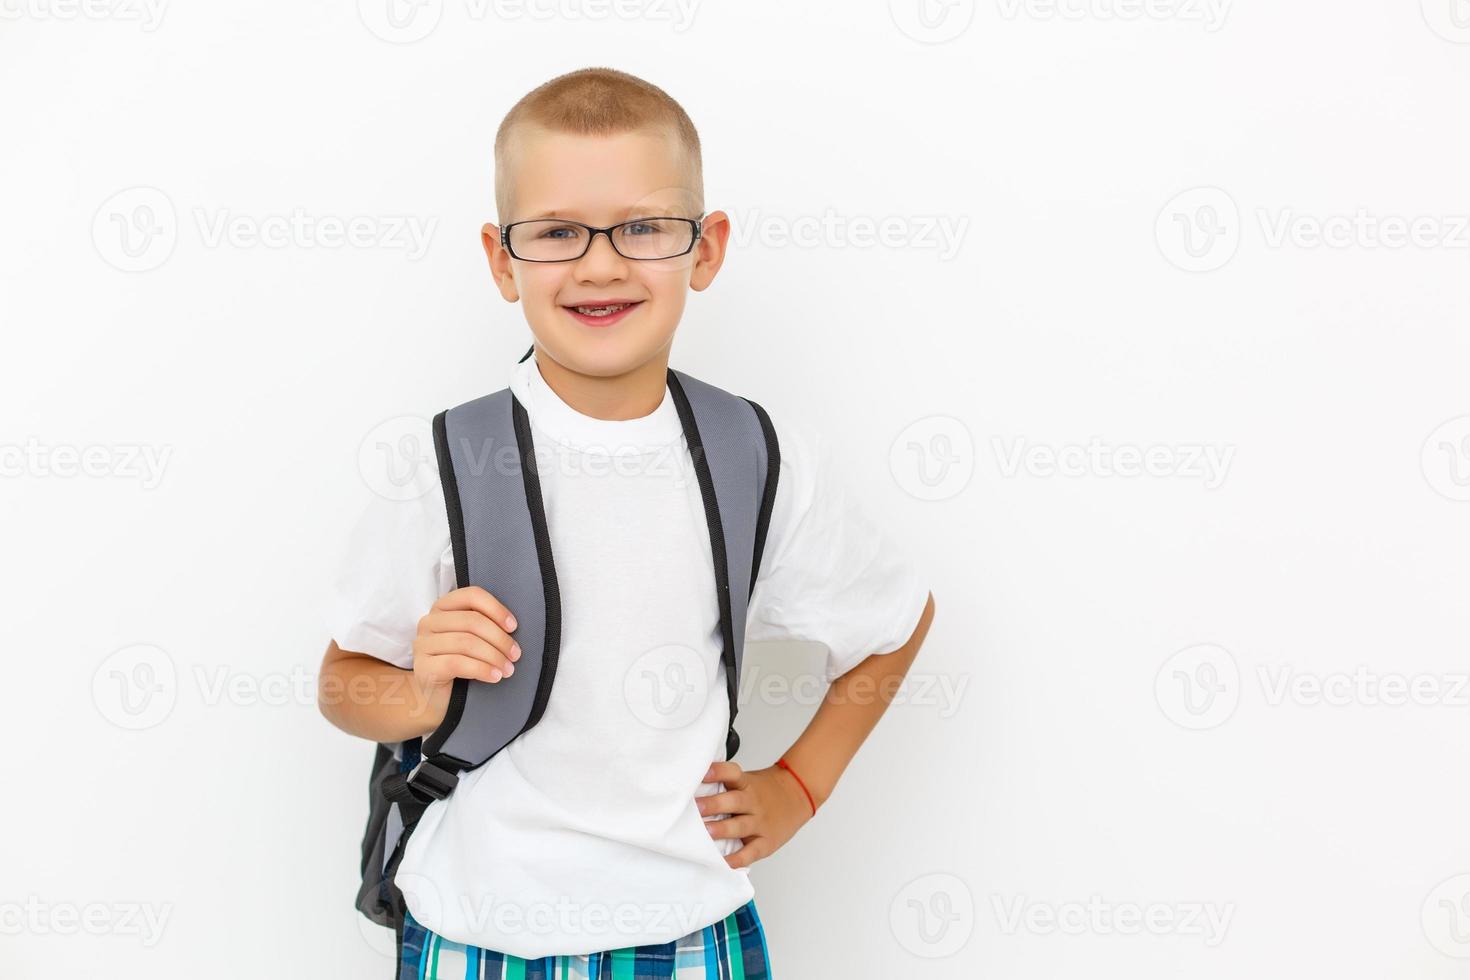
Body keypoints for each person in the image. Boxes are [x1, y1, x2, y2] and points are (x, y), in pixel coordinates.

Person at [318, 66, 936, 979]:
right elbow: (341, 682)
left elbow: (894, 621)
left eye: (643, 227)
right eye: (558, 232)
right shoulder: (444, 460)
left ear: (706, 248)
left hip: (690, 926)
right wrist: (422, 689)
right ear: (501, 259)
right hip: (476, 928)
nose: (600, 263)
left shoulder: (758, 455)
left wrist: (799, 787)